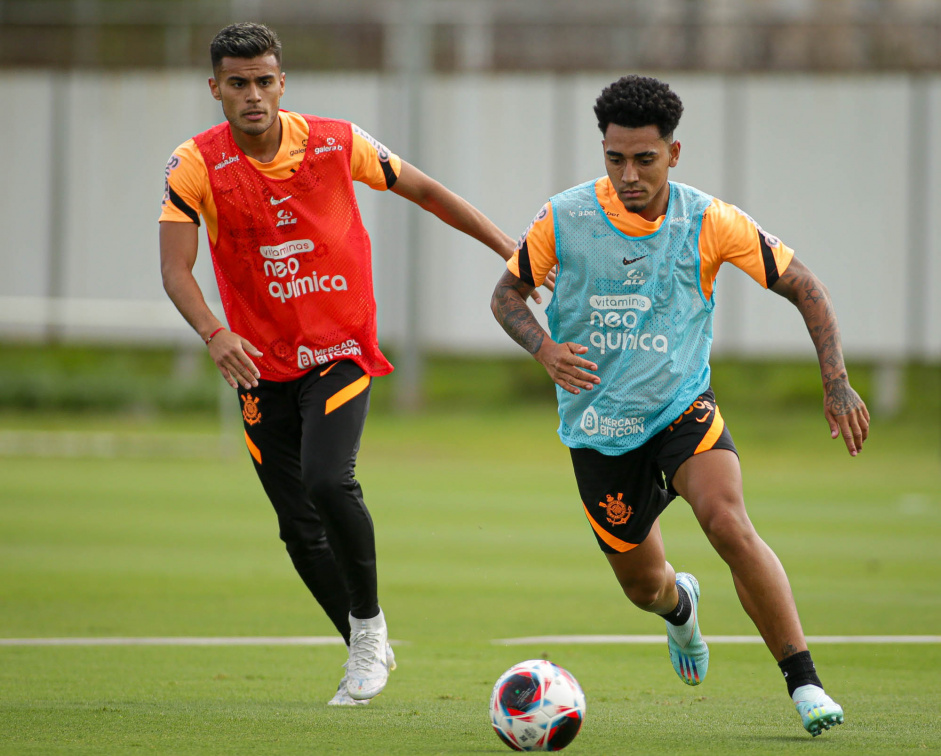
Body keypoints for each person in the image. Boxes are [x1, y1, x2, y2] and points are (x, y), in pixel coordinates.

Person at [159, 22, 532, 706]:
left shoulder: (336, 141)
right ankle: (366, 640)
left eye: (264, 81)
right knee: (296, 525)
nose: (253, 96)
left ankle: (364, 638)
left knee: (331, 482)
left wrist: (510, 249)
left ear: (282, 83)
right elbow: (176, 271)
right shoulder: (195, 165)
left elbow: (426, 191)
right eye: (237, 84)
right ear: (215, 88)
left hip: (339, 350)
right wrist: (214, 332)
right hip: (259, 367)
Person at [491, 74, 869, 736]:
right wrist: (543, 349)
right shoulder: (564, 217)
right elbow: (505, 296)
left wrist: (834, 379)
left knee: (726, 522)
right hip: (598, 432)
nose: (629, 173)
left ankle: (804, 683)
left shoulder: (709, 220)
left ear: (673, 152)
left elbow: (805, 286)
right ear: (602, 151)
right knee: (643, 587)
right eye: (615, 158)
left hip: (680, 409)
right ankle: (679, 609)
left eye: (644, 158)